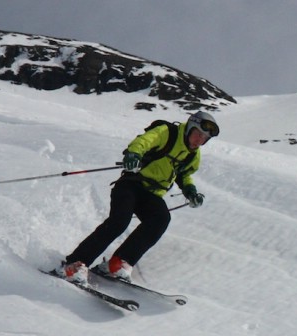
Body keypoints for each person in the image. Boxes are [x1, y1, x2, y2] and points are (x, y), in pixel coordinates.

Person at [56, 110, 219, 284]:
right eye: (197, 135)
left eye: (204, 139)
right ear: (189, 128)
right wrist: (134, 154)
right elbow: (143, 141)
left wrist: (190, 191)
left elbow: (184, 174)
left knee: (161, 219)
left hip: (152, 194)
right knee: (119, 222)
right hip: (131, 184)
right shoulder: (168, 133)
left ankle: (118, 264)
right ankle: (74, 264)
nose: (199, 141)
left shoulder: (193, 155)